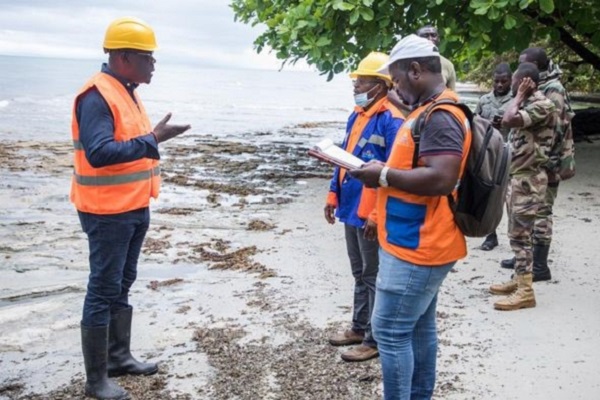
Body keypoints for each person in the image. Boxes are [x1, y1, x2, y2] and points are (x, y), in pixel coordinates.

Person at [71, 17, 191, 400]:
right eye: (147, 57)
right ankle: (96, 381)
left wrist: (150, 140)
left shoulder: (126, 89)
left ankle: (119, 357)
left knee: (122, 283)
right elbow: (100, 152)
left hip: (133, 205)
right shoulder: (96, 95)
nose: (153, 65)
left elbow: (129, 144)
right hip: (106, 211)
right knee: (103, 289)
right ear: (124, 57)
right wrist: (154, 138)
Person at [350, 35, 471, 399]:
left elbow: (442, 177)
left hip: (420, 245)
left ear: (416, 70)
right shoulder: (428, 110)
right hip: (414, 237)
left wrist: (382, 175)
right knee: (418, 328)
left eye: (398, 78)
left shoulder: (441, 116)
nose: (395, 86)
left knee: (388, 331)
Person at [326, 52, 404, 363]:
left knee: (373, 276)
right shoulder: (356, 115)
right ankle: (359, 326)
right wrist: (333, 194)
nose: (355, 85)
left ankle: (374, 339)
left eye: (361, 80)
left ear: (380, 85)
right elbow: (342, 158)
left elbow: (393, 173)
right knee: (359, 272)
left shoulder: (392, 120)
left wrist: (375, 214)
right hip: (350, 205)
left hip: (372, 211)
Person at [499, 48, 575, 281]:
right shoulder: (539, 88)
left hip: (546, 161)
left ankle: (539, 266)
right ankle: (524, 258)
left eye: (523, 65)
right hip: (532, 161)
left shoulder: (553, 90)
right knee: (524, 215)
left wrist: (549, 162)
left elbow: (557, 128)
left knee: (541, 212)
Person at [489, 62, 557, 311]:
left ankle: (526, 291)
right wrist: (518, 98)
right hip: (519, 177)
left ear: (527, 82)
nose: (513, 85)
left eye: (516, 81)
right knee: (516, 233)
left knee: (521, 235)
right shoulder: (528, 103)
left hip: (528, 180)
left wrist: (517, 97)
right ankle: (519, 279)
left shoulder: (542, 104)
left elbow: (508, 119)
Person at [475, 62, 513, 251]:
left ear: (511, 81)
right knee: (489, 194)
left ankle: (516, 237)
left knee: (511, 198)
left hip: (511, 152)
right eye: (496, 81)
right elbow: (474, 122)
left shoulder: (517, 99)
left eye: (503, 81)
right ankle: (491, 235)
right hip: (490, 152)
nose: (499, 85)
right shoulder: (484, 100)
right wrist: (487, 123)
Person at [416, 26, 457, 91]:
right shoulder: (405, 61)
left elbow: (452, 95)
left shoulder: (448, 65)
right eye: (425, 36)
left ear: (438, 39)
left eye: (433, 35)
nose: (430, 38)